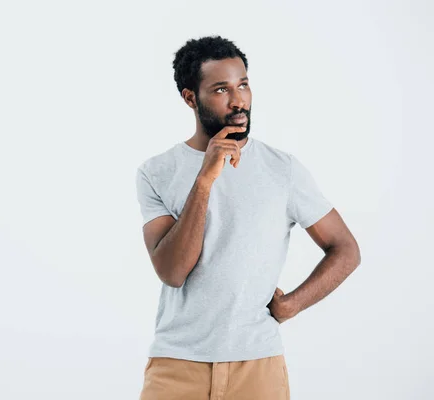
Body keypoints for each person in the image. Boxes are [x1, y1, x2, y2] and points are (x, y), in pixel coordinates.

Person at [134, 36, 361, 400]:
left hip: (258, 365)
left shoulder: (281, 169)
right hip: (177, 364)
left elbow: (345, 248)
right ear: (190, 98)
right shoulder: (157, 172)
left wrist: (293, 304)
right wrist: (205, 180)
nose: (238, 100)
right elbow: (172, 272)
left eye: (243, 85)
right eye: (221, 89)